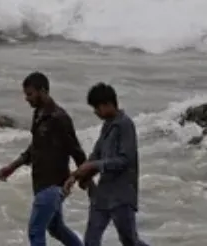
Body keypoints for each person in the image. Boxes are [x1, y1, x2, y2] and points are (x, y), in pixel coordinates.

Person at [0, 72, 89, 246]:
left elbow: (76, 150)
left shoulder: (59, 118)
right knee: (55, 227)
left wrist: (85, 179)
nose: (26, 98)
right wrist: (12, 167)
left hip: (53, 184)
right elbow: (35, 147)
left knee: (35, 230)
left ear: (44, 91)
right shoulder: (39, 114)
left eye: (30, 94)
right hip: (41, 184)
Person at [64, 83, 150, 246]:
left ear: (109, 104)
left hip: (122, 195)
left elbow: (125, 160)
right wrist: (76, 176)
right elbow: (96, 154)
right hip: (103, 194)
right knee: (91, 241)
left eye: (98, 107)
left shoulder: (125, 125)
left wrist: (94, 166)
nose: (96, 112)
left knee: (129, 240)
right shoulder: (107, 126)